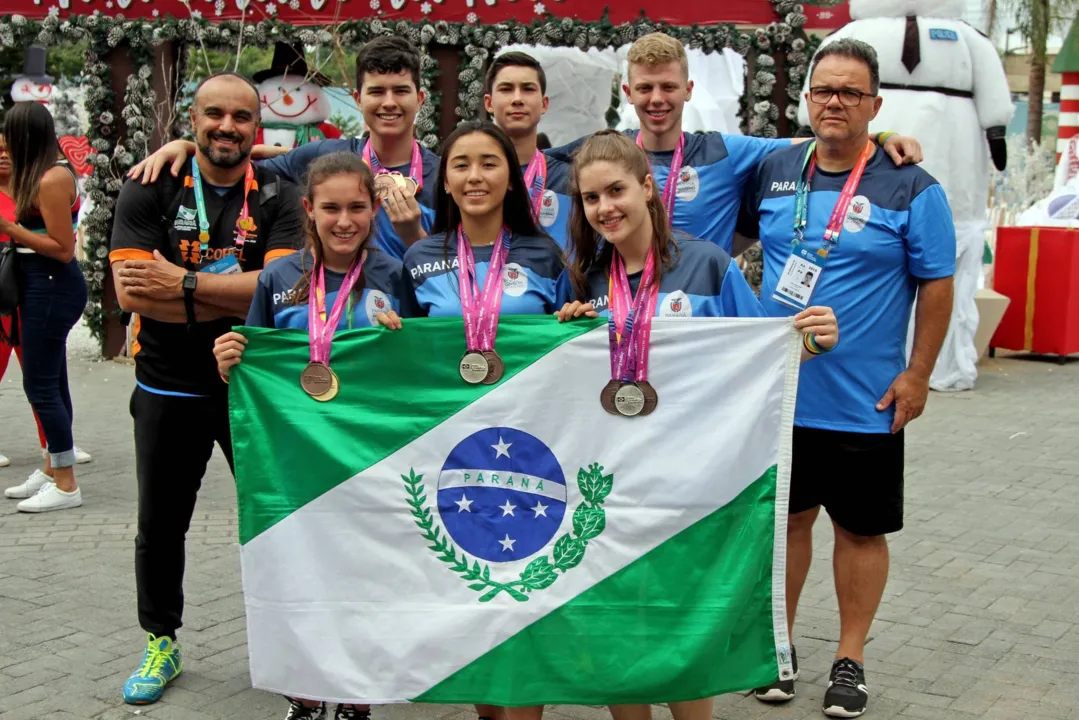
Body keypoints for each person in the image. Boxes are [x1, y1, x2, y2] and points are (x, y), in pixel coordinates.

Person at [509, 130, 838, 720]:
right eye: (590, 198)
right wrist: (567, 329)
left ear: (648, 189)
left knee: (681, 628)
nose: (605, 207)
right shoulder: (581, 279)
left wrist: (809, 342)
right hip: (609, 486)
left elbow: (759, 351)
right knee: (621, 633)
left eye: (616, 190)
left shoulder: (707, 265)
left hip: (689, 483)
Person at [738, 39, 955, 718]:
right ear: (806, 99)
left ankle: (849, 659)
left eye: (850, 94)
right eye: (823, 91)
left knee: (859, 532)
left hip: (866, 399)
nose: (834, 102)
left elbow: (938, 284)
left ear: (875, 106)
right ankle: (779, 648)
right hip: (780, 395)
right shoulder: (774, 167)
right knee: (788, 524)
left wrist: (917, 374)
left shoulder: (911, 186)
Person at [108, 72, 304, 706]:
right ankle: (160, 640)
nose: (227, 126)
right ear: (191, 121)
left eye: (241, 117)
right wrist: (232, 293)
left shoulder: (279, 191)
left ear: (257, 126)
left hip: (253, 385)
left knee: (283, 516)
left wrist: (183, 285)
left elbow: (280, 289)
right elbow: (131, 292)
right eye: (213, 114)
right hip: (167, 385)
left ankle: (300, 642)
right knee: (160, 525)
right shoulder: (150, 186)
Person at [376, 120, 568, 720]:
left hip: (529, 447)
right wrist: (389, 340)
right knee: (471, 594)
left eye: (490, 162)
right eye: (461, 164)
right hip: (451, 452)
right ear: (445, 180)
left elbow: (574, 345)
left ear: (511, 177)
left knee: (526, 592)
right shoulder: (419, 258)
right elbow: (407, 358)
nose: (475, 175)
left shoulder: (545, 253)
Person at [215, 151, 405, 720]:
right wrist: (230, 355)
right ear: (308, 210)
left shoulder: (395, 277)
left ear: (374, 209)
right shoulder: (277, 278)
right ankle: (304, 690)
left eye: (355, 207)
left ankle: (357, 695)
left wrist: (405, 343)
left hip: (372, 457)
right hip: (297, 457)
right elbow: (254, 356)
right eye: (330, 208)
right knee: (301, 570)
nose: (343, 220)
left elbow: (424, 370)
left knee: (365, 572)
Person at [546, 32, 923, 256]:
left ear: (688, 90)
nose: (656, 98)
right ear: (628, 92)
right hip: (619, 303)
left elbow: (813, 141)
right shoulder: (606, 151)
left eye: (668, 87)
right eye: (645, 88)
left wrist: (881, 135)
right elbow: (527, 163)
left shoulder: (725, 152)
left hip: (697, 306)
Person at [127, 36, 438, 261]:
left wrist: (414, 237)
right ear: (358, 99)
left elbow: (455, 269)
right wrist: (187, 146)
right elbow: (241, 167)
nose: (388, 102)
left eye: (400, 91)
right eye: (376, 91)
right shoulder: (326, 157)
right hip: (336, 319)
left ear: (420, 99)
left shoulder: (442, 175)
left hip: (413, 320)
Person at [0, 104, 87, 513]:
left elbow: (64, 250)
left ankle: (66, 483)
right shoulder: (41, 173)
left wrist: (13, 230)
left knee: (40, 385)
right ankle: (53, 468)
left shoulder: (52, 178)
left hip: (52, 285)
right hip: (39, 283)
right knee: (53, 380)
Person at [482, 51, 572, 249]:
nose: (517, 99)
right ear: (488, 103)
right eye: (506, 89)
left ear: (544, 104)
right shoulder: (472, 177)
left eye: (528, 89)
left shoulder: (569, 178)